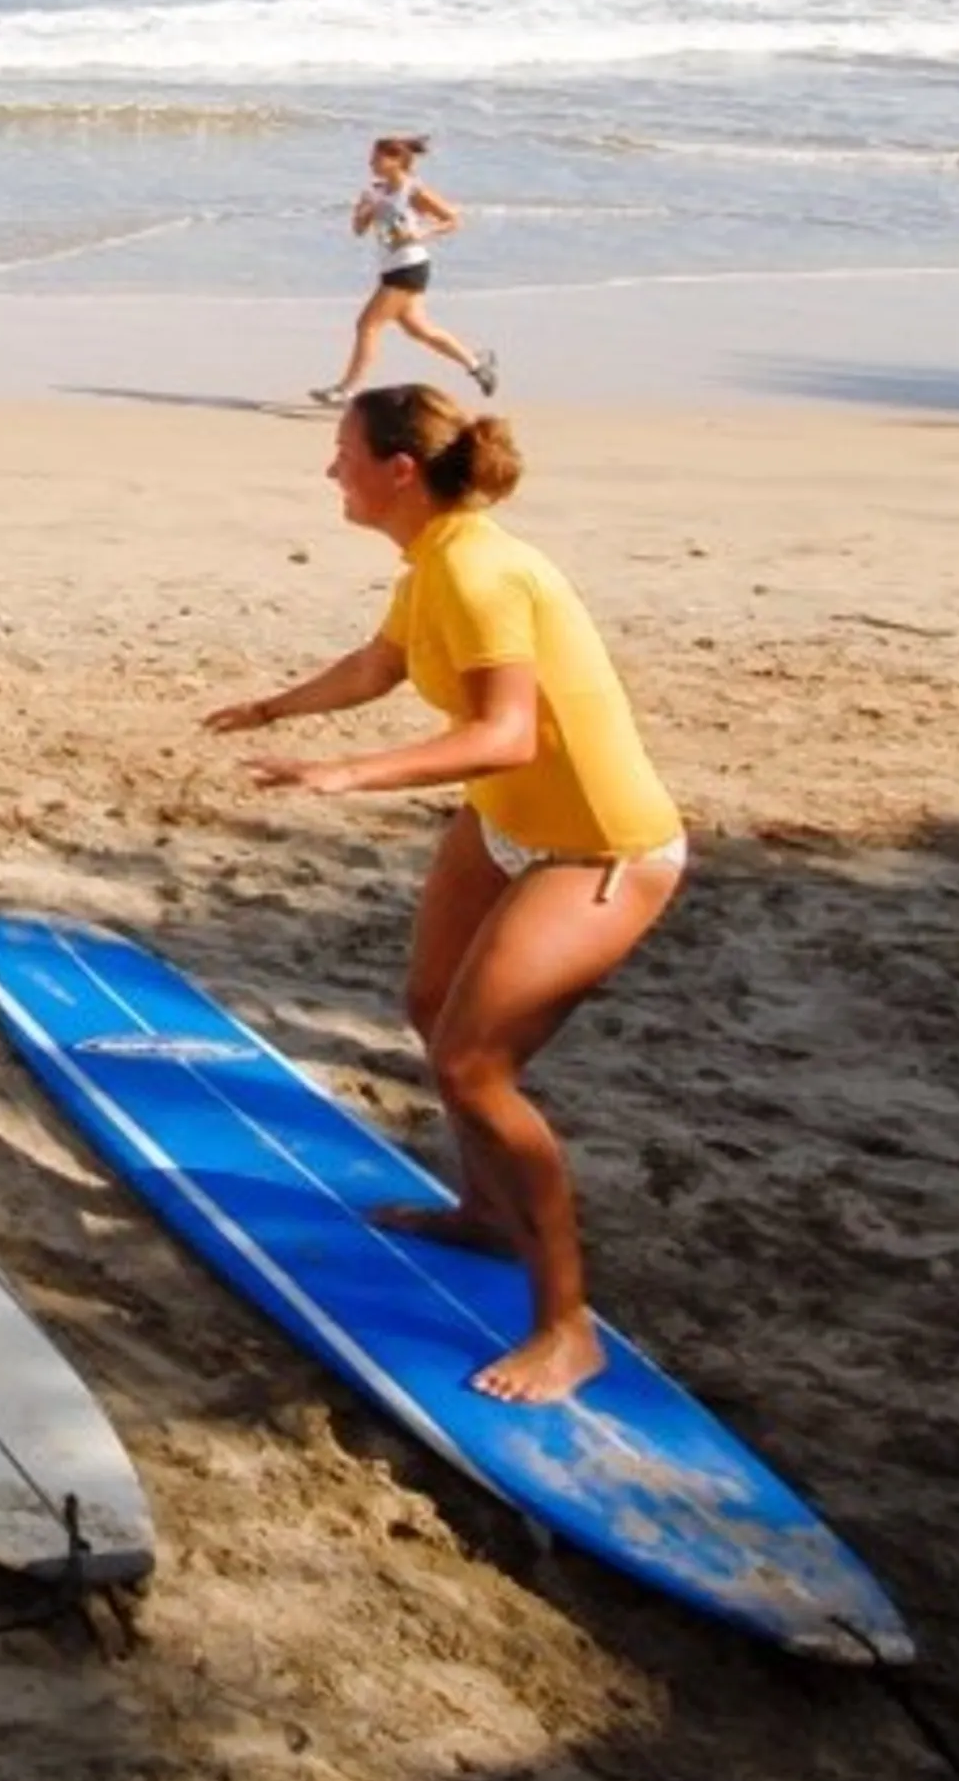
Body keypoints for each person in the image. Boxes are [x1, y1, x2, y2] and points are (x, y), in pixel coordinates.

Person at [203, 384, 683, 1404]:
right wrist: (274, 708)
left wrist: (351, 775)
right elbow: (381, 664)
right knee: (430, 1006)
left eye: (343, 453)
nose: (332, 470)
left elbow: (508, 732)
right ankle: (482, 1213)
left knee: (475, 1065)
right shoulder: (432, 559)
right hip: (508, 822)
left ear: (399, 471)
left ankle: (566, 1327)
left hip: (602, 848)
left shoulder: (478, 570)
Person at [314, 133, 496, 408]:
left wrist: (419, 233)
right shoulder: (377, 191)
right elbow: (359, 231)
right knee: (420, 331)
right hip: (392, 268)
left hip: (409, 265)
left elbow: (452, 219)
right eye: (371, 157)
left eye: (377, 157)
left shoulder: (413, 190)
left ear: (397, 160)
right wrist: (363, 210)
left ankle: (348, 389)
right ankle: (476, 363)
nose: (371, 162)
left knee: (368, 325)